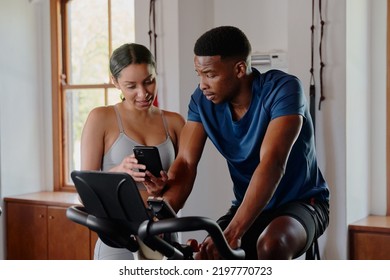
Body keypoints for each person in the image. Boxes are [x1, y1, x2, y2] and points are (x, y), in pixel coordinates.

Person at [162, 26, 330, 260]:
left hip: (301, 202)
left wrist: (233, 231)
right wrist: (161, 220)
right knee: (206, 257)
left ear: (240, 69)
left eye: (210, 74)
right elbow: (186, 163)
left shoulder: (283, 89)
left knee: (272, 245)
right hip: (248, 205)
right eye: (199, 74)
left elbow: (272, 163)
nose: (202, 84)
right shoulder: (202, 101)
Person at [80, 43, 185, 260]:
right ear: (115, 82)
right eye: (131, 86)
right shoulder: (100, 118)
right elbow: (85, 191)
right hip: (119, 239)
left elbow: (183, 182)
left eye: (149, 81)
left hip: (164, 235)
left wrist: (160, 190)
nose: (143, 93)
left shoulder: (174, 122)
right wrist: (120, 172)